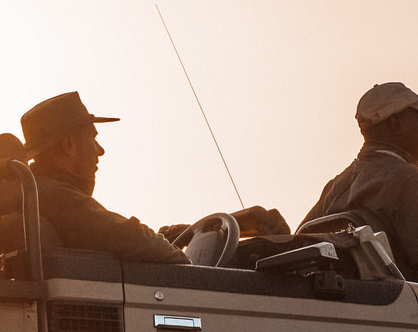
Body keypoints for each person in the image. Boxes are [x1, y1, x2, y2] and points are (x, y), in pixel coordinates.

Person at [20, 92, 287, 264]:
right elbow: (130, 237)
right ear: (68, 144)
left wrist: (175, 235)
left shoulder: (34, 194)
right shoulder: (54, 196)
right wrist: (192, 268)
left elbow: (118, 239)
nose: (100, 150)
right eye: (93, 138)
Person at [299, 82, 418, 289]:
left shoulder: (335, 187)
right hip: (406, 316)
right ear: (396, 124)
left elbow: (300, 244)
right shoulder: (411, 181)